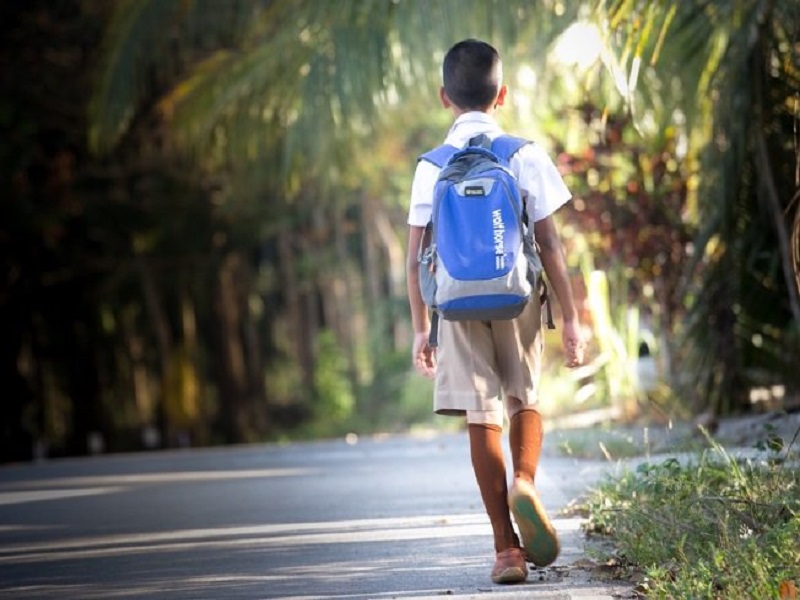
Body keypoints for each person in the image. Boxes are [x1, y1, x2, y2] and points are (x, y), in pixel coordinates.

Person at [405, 39, 585, 585]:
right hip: (518, 296)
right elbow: (550, 243)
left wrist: (420, 328)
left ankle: (506, 550)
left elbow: (414, 256)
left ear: (444, 98)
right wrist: (572, 318)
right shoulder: (523, 154)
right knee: (522, 397)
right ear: (501, 94)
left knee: (481, 415)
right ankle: (525, 480)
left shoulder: (431, 167)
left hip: (455, 304)